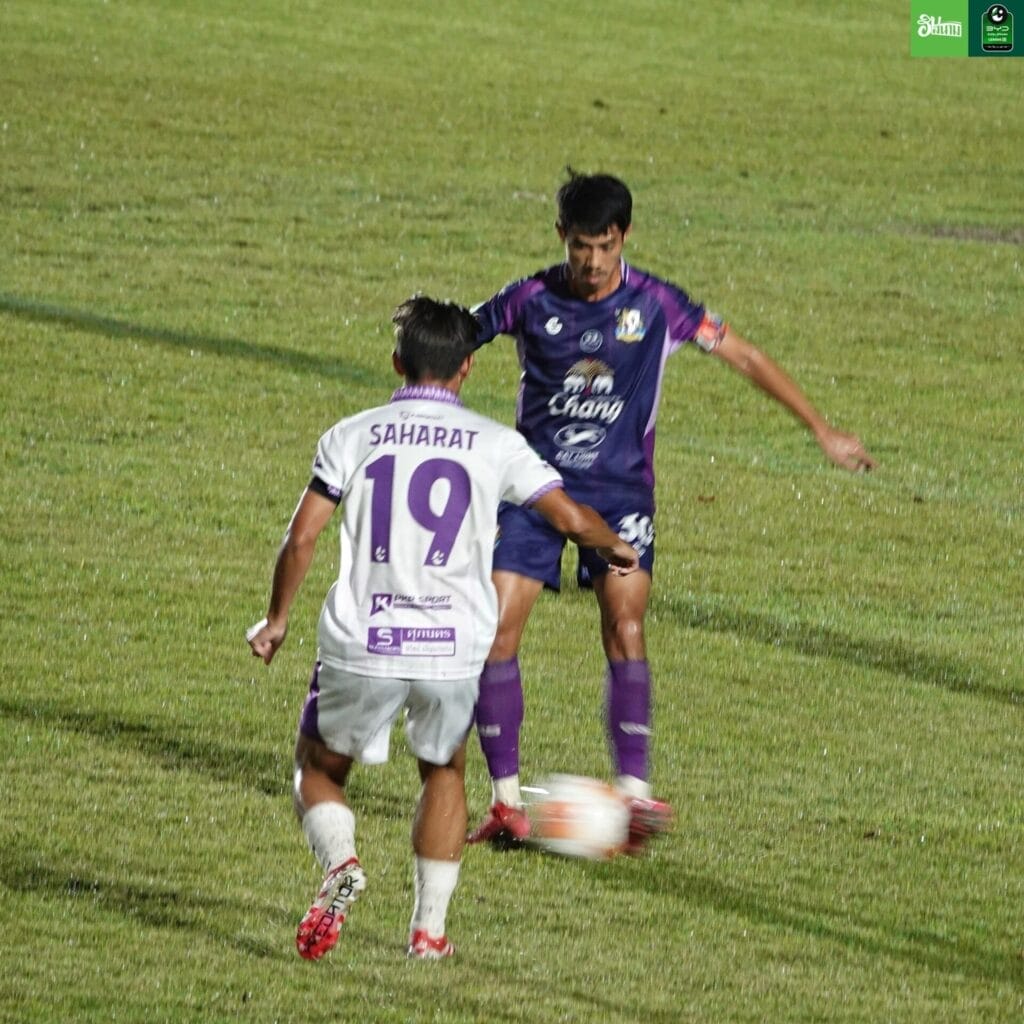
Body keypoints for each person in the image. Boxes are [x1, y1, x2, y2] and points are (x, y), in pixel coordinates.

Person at [467, 169, 876, 852]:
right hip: (534, 492)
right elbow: (457, 337)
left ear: (624, 236)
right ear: (561, 236)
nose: (592, 261)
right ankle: (505, 802)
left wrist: (820, 429)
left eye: (604, 246)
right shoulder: (528, 298)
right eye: (580, 246)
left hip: (619, 494)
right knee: (497, 632)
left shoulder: (658, 304)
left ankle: (633, 794)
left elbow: (743, 355)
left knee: (625, 626)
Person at [246, 295, 639, 961]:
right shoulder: (497, 443)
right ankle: (428, 933)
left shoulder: (352, 435)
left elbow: (302, 536)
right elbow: (572, 519)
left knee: (318, 768)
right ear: (467, 368)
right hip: (453, 648)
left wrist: (277, 618)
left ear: (397, 363)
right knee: (444, 769)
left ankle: (341, 864)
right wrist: (616, 549)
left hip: (363, 640)